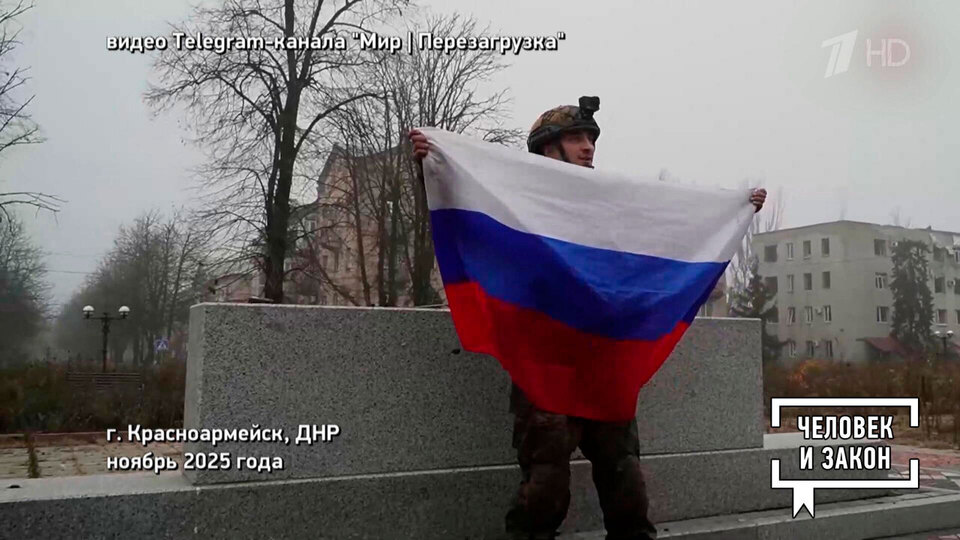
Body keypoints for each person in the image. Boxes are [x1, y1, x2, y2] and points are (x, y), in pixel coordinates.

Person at [409, 97, 766, 540]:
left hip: (604, 365)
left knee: (626, 487)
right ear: (546, 148)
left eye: (590, 139)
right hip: (546, 365)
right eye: (575, 138)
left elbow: (668, 222)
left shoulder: (612, 202)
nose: (588, 147)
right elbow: (463, 209)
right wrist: (432, 165)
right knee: (545, 489)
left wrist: (734, 208)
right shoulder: (515, 195)